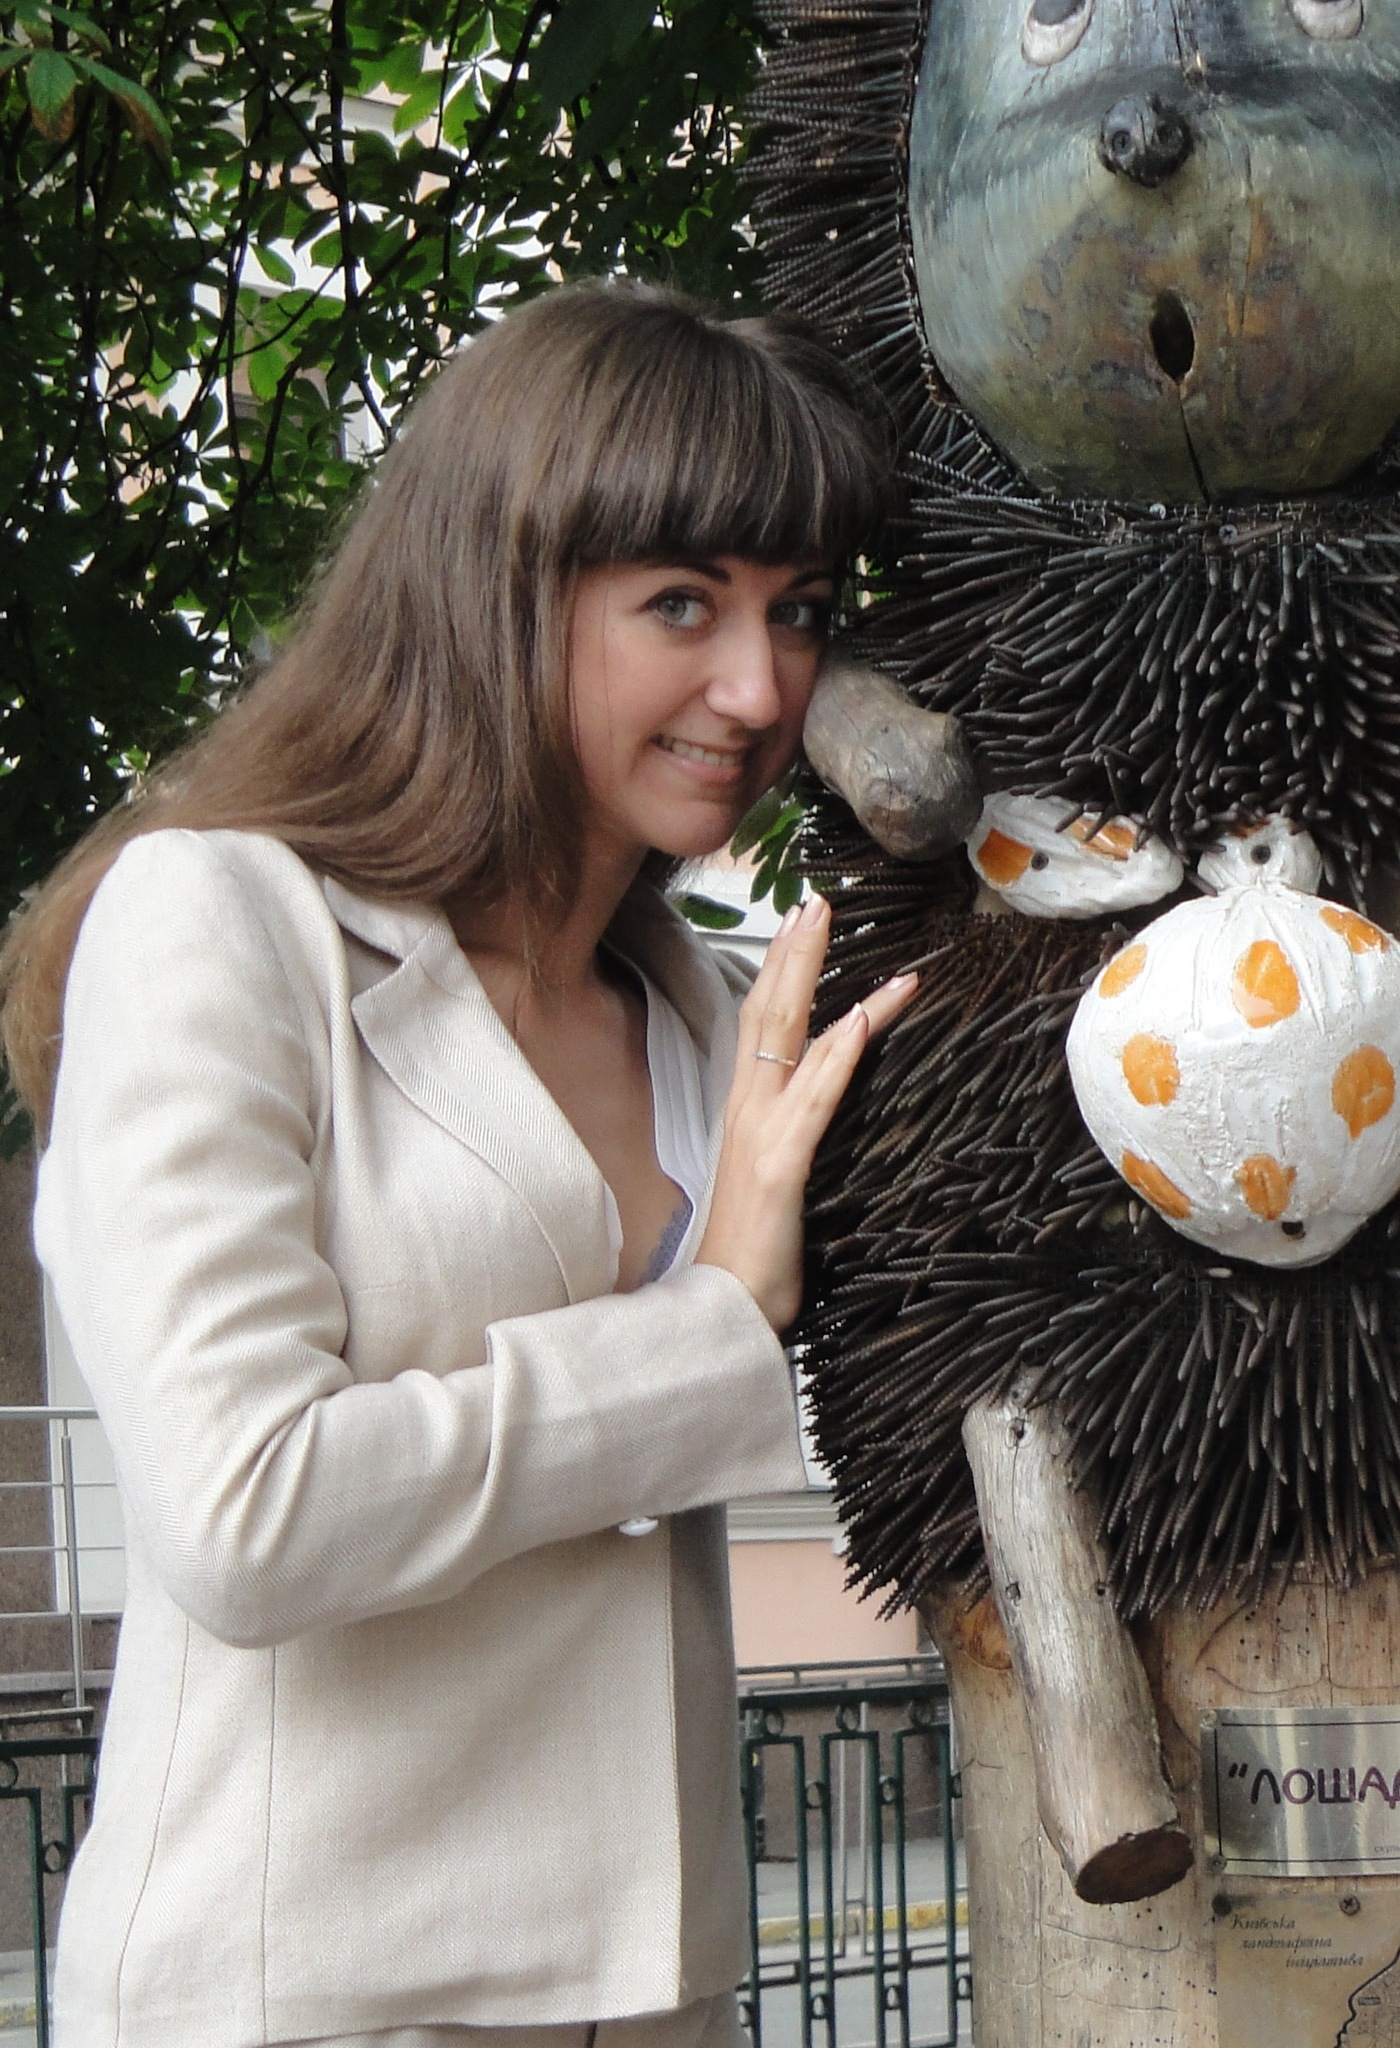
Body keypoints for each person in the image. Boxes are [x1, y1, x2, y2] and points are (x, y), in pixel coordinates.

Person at [0, 280, 913, 2048]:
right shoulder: (221, 923)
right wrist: (712, 1321)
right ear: (501, 589)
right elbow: (246, 1517)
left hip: (655, 1995)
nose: (759, 687)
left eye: (799, 612)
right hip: (303, 2001)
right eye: (681, 602)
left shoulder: (712, 1017)